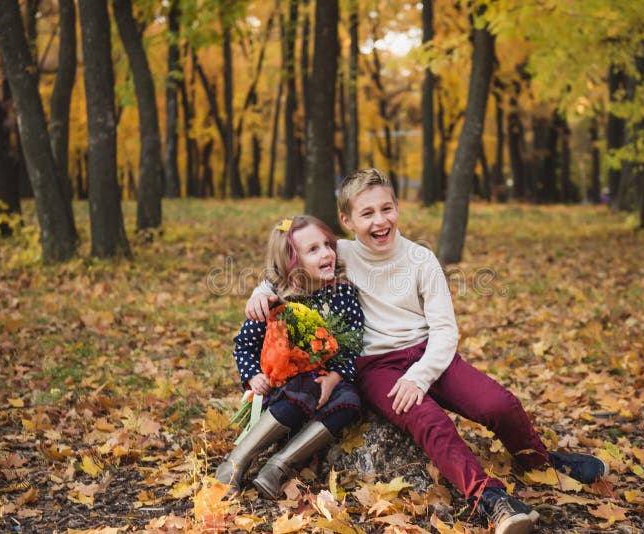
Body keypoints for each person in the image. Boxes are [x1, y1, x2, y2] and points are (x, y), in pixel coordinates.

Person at [246, 169, 609, 534]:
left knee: (497, 404)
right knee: (430, 422)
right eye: (366, 213)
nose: (379, 220)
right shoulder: (339, 252)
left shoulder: (421, 260)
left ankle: (539, 461)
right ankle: (492, 501)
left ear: (398, 208)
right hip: (377, 367)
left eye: (386, 208)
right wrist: (260, 292)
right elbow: (286, 263)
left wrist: (421, 375)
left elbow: (445, 331)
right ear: (347, 221)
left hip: (430, 353)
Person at [216, 215, 364, 500]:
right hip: (284, 389)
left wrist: (334, 378)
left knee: (351, 401)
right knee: (302, 389)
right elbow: (244, 345)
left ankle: (279, 465)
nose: (327, 254)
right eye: (313, 250)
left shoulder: (343, 292)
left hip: (327, 381)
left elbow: (353, 343)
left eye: (328, 245)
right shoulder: (277, 301)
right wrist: (251, 377)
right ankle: (234, 462)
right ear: (291, 263)